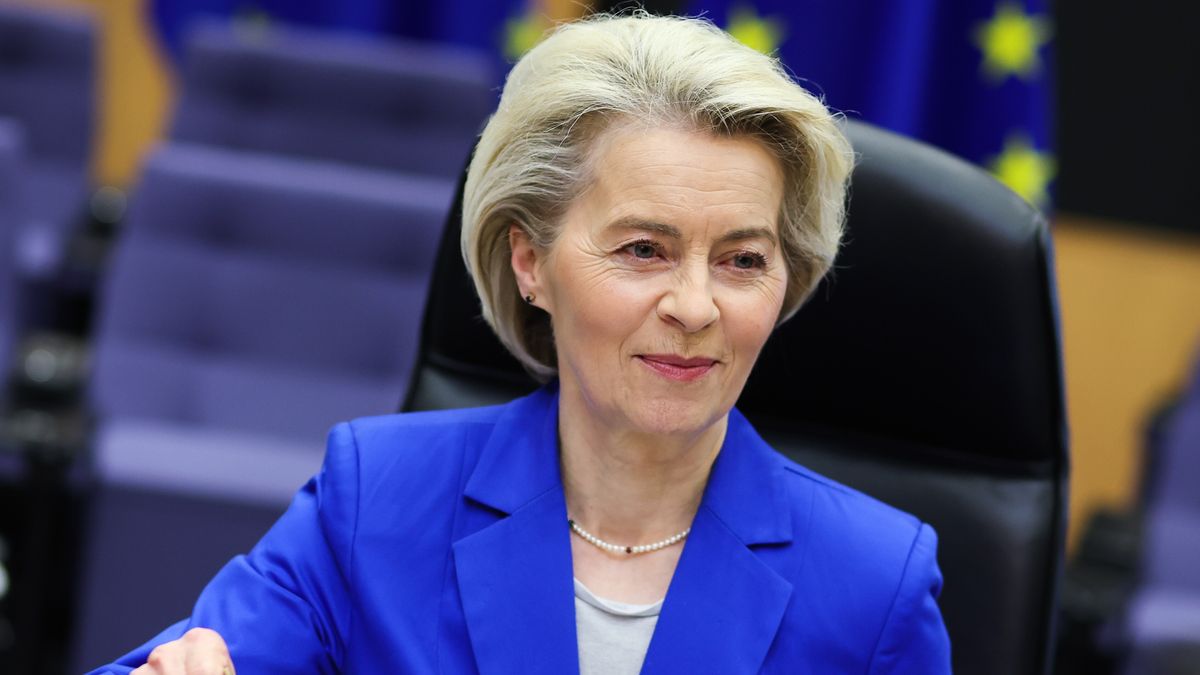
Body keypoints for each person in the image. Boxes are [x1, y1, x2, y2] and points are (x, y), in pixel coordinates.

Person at [91, 13, 951, 674]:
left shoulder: (877, 582)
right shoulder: (378, 498)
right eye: (643, 249)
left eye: (742, 260)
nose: (696, 306)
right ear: (530, 261)